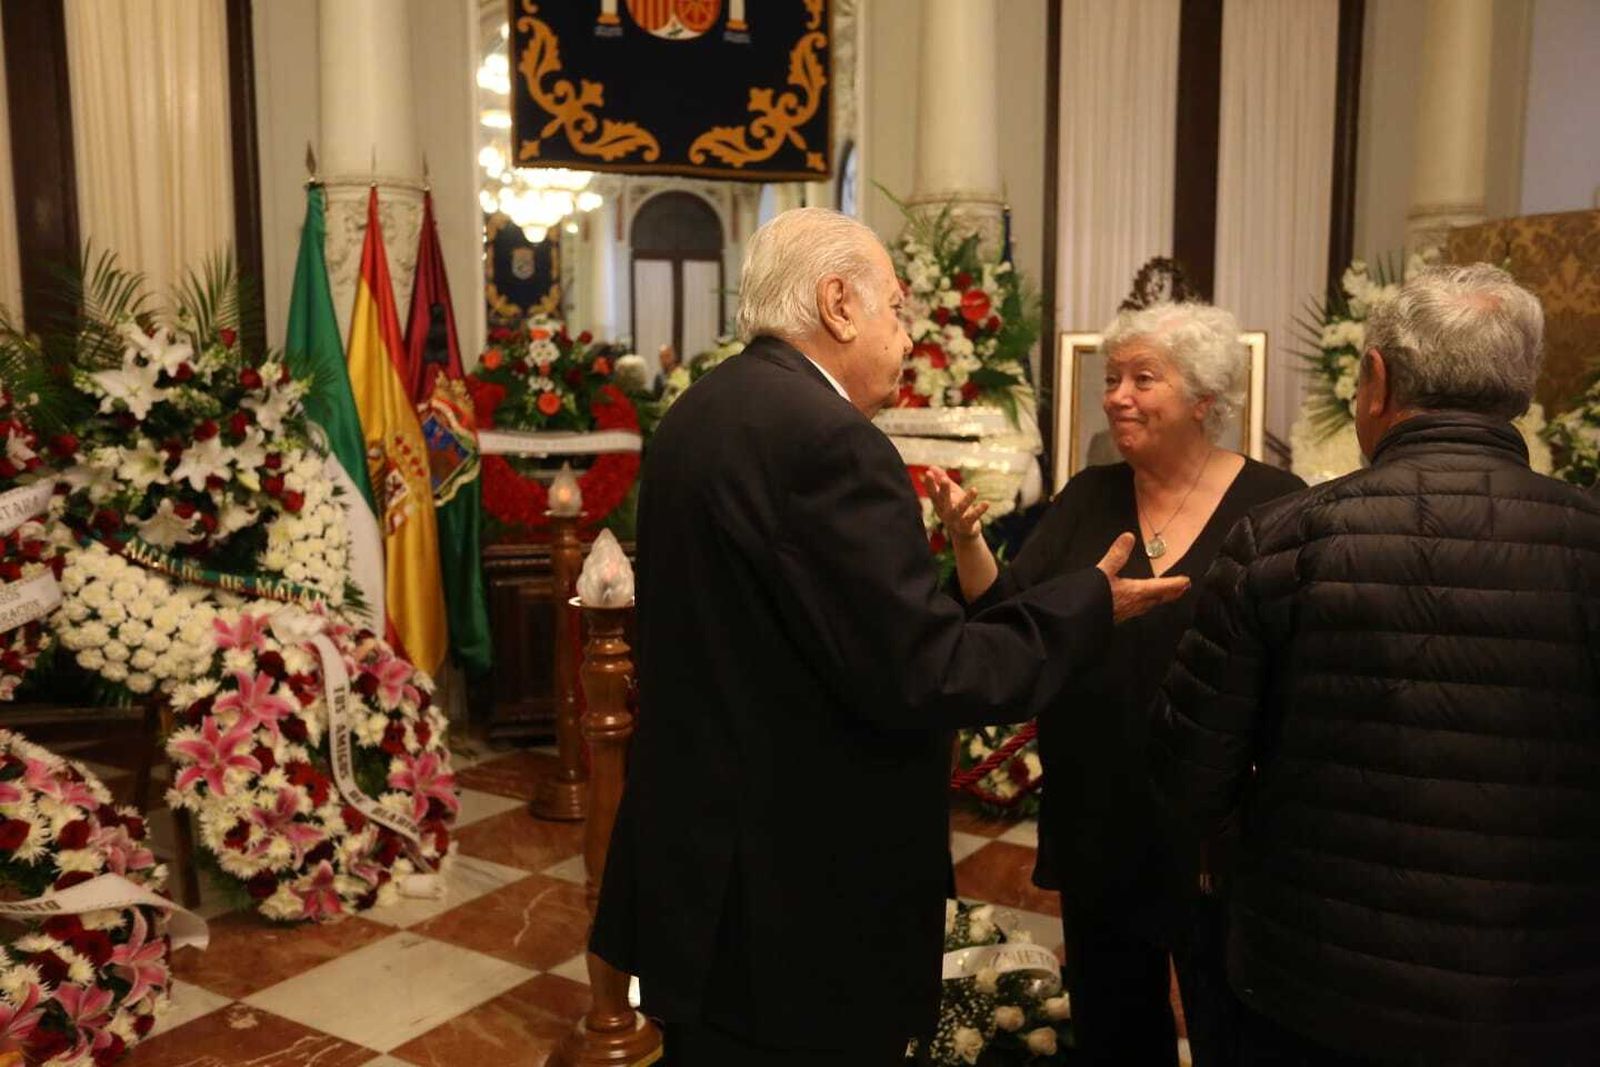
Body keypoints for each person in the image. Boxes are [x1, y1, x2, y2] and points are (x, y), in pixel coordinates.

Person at [590, 207, 1190, 1065]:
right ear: (838, 304)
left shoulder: (702, 408)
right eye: (898, 310)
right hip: (796, 896)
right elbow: (929, 670)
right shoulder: (828, 440)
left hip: (701, 866)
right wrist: (1090, 602)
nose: (908, 336)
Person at [1151, 263, 1600, 1065]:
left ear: (1375, 381)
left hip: (1312, 982)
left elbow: (1188, 772)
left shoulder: (1279, 538)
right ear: (1520, 394)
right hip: (1542, 987)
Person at [928, 302, 1303, 1065]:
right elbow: (1012, 617)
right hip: (1099, 806)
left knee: (1228, 1010)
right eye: (1111, 379)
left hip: (1216, 821)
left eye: (1143, 378)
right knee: (1112, 1017)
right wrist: (967, 538)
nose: (1117, 396)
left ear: (1203, 398)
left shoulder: (1276, 502)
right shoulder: (1087, 495)